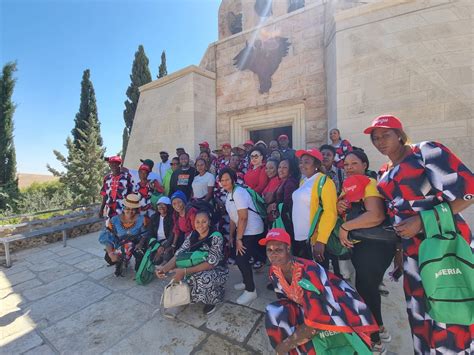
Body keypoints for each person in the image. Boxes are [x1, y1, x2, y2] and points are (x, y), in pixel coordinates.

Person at [365, 114, 474, 354]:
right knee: (421, 312)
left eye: (386, 135)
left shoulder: (425, 152)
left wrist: (423, 221)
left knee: (450, 307)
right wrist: (398, 253)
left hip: (445, 243)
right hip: (413, 252)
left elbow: (469, 191)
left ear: (400, 135)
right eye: (375, 138)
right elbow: (394, 213)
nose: (380, 141)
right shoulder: (384, 171)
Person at [262, 228, 378, 355]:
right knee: (274, 311)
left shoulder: (309, 272)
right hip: (311, 308)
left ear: (288, 249)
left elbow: (315, 324)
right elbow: (285, 301)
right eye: (269, 250)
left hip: (338, 309)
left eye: (278, 250)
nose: (273, 254)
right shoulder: (274, 271)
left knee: (310, 342)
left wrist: (285, 345)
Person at [337, 150, 395, 351]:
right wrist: (340, 206)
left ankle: (375, 341)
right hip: (363, 245)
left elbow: (376, 215)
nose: (349, 168)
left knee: (365, 293)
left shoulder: (370, 183)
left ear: (364, 165)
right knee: (368, 291)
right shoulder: (349, 186)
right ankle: (380, 329)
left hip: (374, 246)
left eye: (354, 163)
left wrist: (344, 227)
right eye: (346, 165)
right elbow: (351, 211)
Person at [156, 211, 229, 315]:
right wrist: (164, 269)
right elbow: (179, 254)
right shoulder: (192, 235)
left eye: (204, 222)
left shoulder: (216, 236)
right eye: (197, 222)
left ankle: (214, 297)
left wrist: (184, 271)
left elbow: (211, 263)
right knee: (182, 278)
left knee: (202, 279)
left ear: (209, 222)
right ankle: (195, 294)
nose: (200, 225)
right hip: (197, 265)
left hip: (216, 269)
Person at [220, 167, 265, 305]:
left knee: (241, 259)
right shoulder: (229, 194)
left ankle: (251, 291)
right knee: (240, 258)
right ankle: (246, 282)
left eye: (227, 179)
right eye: (222, 180)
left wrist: (239, 239)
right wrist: (232, 236)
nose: (225, 182)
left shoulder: (239, 193)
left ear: (233, 179)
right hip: (243, 229)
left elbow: (243, 217)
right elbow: (234, 217)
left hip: (252, 230)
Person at [292, 148, 337, 261]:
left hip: (314, 239)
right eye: (301, 162)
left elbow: (330, 212)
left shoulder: (325, 181)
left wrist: (321, 241)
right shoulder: (304, 181)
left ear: (316, 164)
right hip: (301, 237)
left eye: (306, 162)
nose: (302, 165)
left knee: (319, 275)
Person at [99, 194, 149, 276]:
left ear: (137, 209)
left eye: (133, 209)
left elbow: (145, 234)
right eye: (127, 208)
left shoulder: (142, 219)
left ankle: (131, 259)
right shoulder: (114, 220)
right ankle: (122, 259)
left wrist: (140, 243)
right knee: (110, 259)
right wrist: (110, 253)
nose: (130, 211)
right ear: (123, 207)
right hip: (120, 244)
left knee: (139, 266)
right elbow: (107, 236)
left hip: (136, 244)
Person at [270, 158, 299, 238]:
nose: (280, 170)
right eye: (279, 167)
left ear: (291, 170)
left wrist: (276, 207)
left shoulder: (290, 183)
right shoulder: (284, 181)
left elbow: (288, 204)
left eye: (285, 167)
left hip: (286, 221)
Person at [99, 156, 133, 221]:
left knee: (123, 228)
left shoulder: (127, 177)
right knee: (111, 227)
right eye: (112, 164)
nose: (114, 166)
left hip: (123, 209)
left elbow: (131, 193)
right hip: (109, 209)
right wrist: (101, 209)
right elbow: (105, 195)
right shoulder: (107, 178)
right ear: (109, 165)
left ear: (119, 164)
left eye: (116, 164)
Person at [149, 196, 174, 264]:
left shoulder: (172, 218)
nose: (161, 207)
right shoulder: (153, 217)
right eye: (159, 205)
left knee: (164, 257)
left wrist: (163, 247)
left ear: (168, 207)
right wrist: (157, 246)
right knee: (150, 258)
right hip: (156, 243)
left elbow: (172, 234)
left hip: (167, 243)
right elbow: (150, 234)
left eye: (164, 205)